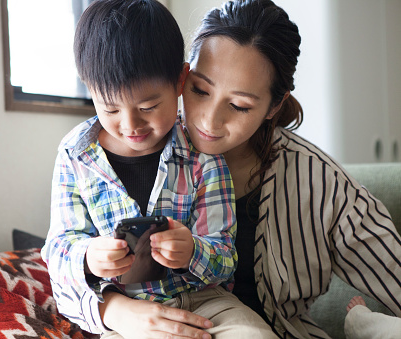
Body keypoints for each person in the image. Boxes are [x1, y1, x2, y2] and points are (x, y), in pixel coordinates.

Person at [98, 0, 401, 338]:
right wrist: (112, 309)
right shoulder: (131, 143)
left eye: (239, 106)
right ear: (182, 76)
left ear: (275, 105)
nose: (208, 120)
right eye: (199, 90)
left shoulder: (320, 183)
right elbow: (71, 253)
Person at [41, 1, 277, 338]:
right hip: (125, 309)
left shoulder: (203, 155)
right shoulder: (76, 155)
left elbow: (226, 256)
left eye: (148, 107)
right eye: (110, 108)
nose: (130, 125)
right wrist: (89, 258)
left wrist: (193, 251)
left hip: (206, 303)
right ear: (88, 88)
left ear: (180, 81)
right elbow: (59, 250)